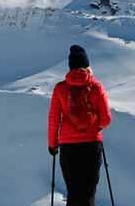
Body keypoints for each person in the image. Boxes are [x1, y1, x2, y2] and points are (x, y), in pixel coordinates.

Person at [47, 45, 112, 206]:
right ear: (87, 66)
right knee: (88, 192)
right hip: (91, 146)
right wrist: (93, 127)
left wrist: (52, 145)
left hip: (68, 148)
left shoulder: (60, 89)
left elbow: (54, 119)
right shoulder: (96, 87)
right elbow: (106, 119)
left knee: (74, 192)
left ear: (70, 67)